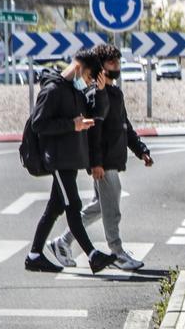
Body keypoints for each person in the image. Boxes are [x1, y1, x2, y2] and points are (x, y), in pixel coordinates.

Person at [48, 44, 153, 271]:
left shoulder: (115, 92)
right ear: (100, 68)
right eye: (111, 63)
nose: (117, 66)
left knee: (99, 206)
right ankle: (117, 253)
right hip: (104, 163)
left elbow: (126, 127)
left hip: (112, 160)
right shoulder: (95, 94)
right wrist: (96, 163)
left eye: (118, 62)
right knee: (111, 210)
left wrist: (141, 149)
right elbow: (93, 132)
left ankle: (62, 242)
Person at [25, 49, 116, 274]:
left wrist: (101, 91)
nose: (86, 83)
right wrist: (71, 125)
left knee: (55, 206)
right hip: (58, 159)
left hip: (70, 158)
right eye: (86, 78)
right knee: (73, 206)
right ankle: (93, 255)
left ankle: (34, 255)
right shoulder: (53, 90)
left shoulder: (74, 92)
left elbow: (97, 114)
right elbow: (38, 124)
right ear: (77, 68)